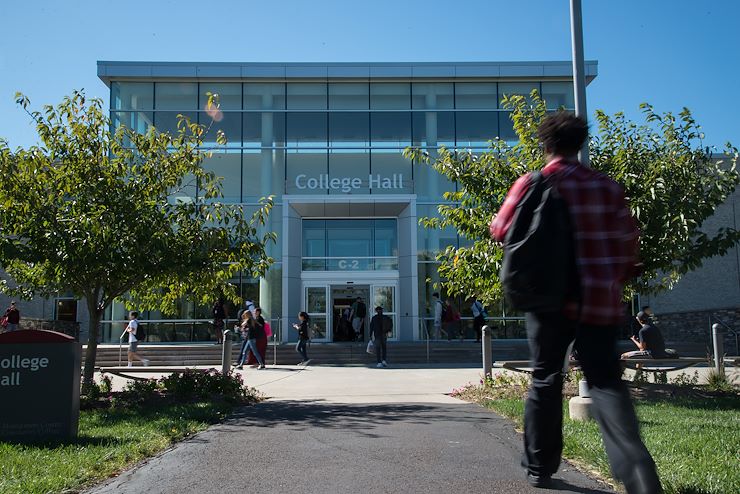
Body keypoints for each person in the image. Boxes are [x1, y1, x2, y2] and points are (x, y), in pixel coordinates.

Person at [489, 112, 661, 493]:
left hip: (549, 301)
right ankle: (636, 467)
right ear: (581, 143)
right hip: (599, 302)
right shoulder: (608, 188)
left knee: (546, 378)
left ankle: (539, 466)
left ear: (545, 144)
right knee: (605, 382)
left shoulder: (532, 182)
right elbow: (628, 249)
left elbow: (501, 230)